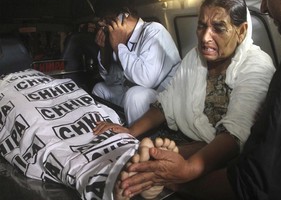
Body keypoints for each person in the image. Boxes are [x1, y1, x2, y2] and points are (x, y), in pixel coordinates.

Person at [92, 0, 278, 199]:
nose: (206, 37)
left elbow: (236, 133)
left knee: (148, 165)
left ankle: (163, 174)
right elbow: (166, 103)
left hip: (222, 150)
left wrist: (185, 171)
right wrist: (129, 131)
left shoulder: (257, 66)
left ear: (241, 31)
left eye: (218, 28)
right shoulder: (194, 58)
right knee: (135, 160)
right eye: (201, 26)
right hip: (187, 138)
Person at [0, 68, 180, 200]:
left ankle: (134, 163)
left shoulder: (38, 73)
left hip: (58, 91)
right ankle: (117, 180)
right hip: (14, 96)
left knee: (97, 126)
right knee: (41, 129)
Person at [91, 0, 181, 126]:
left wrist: (119, 46)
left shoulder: (154, 30)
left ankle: (139, 139)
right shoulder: (120, 40)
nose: (102, 25)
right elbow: (112, 80)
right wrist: (104, 50)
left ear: (123, 14)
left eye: (106, 19)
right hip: (136, 93)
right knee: (100, 89)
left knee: (135, 95)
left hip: (164, 99)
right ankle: (110, 132)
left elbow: (146, 79)